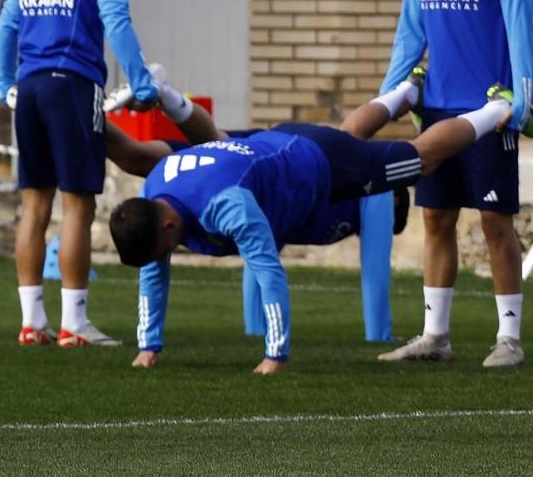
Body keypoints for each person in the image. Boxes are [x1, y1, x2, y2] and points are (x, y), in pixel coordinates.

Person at [111, 80, 515, 374]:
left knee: (419, 159)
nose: (165, 257)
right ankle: (408, 90)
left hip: (317, 163)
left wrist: (275, 354)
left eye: (164, 249)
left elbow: (268, 271)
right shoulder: (156, 190)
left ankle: (496, 108)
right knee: (351, 134)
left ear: (167, 222)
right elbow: (152, 276)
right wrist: (148, 346)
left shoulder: (226, 205)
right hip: (275, 145)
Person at [0, 0, 166, 347]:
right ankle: (74, 323)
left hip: (28, 87)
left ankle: (31, 323)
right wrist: (141, 82)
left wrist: (3, 81)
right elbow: (117, 22)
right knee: (77, 205)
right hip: (73, 85)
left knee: (34, 205)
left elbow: (5, 27)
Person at [369, 0, 532, 369]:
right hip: (436, 110)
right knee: (436, 217)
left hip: (488, 111)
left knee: (493, 221)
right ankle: (434, 336)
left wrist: (523, 102)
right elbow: (409, 35)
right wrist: (388, 96)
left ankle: (508, 339)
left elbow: (522, 29)